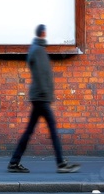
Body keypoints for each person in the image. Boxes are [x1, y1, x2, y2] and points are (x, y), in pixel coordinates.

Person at [8, 24, 80, 173]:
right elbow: (42, 76)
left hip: (39, 96)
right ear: (43, 33)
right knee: (52, 130)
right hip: (41, 97)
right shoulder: (39, 50)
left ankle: (14, 162)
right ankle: (61, 164)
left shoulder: (36, 49)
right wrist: (46, 95)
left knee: (29, 131)